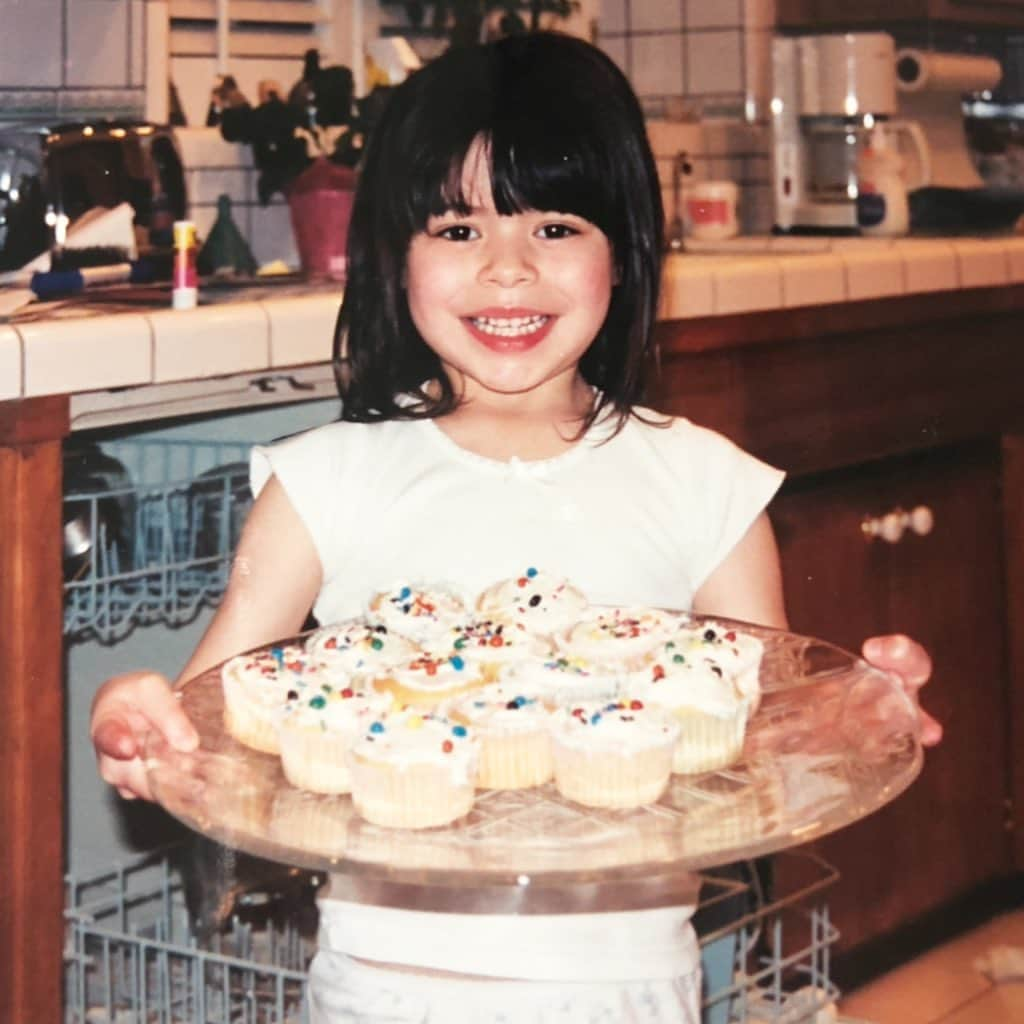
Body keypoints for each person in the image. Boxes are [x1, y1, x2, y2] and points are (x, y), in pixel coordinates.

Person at [91, 32, 941, 1024]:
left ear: (623, 254)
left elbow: (755, 747)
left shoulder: (704, 487)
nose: (506, 270)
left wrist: (857, 712)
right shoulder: (327, 483)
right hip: (379, 997)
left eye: (554, 227)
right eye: (457, 230)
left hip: (626, 996)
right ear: (394, 257)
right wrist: (134, 716)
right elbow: (208, 722)